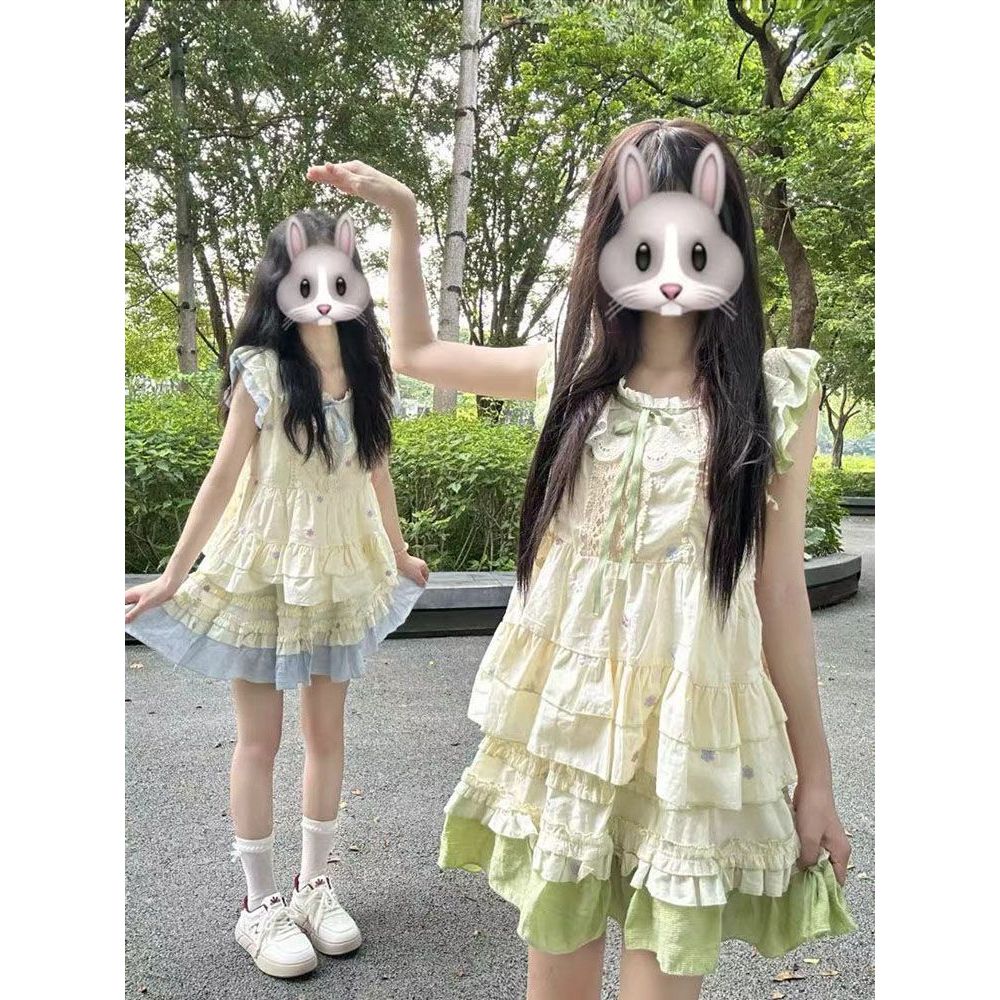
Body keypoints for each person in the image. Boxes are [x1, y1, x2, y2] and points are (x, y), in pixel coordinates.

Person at [309, 117, 854, 1000]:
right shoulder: (566, 375)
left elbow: (779, 591)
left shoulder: (774, 393)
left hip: (690, 740)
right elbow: (415, 354)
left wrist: (815, 779)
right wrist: (405, 216)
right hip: (573, 730)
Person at [125, 209, 428, 979]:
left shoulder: (366, 372)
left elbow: (378, 471)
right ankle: (258, 903)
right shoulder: (260, 370)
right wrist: (173, 574)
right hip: (264, 570)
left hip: (335, 572)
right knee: (258, 740)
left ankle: (313, 885)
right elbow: (222, 477)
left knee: (327, 737)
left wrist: (398, 553)